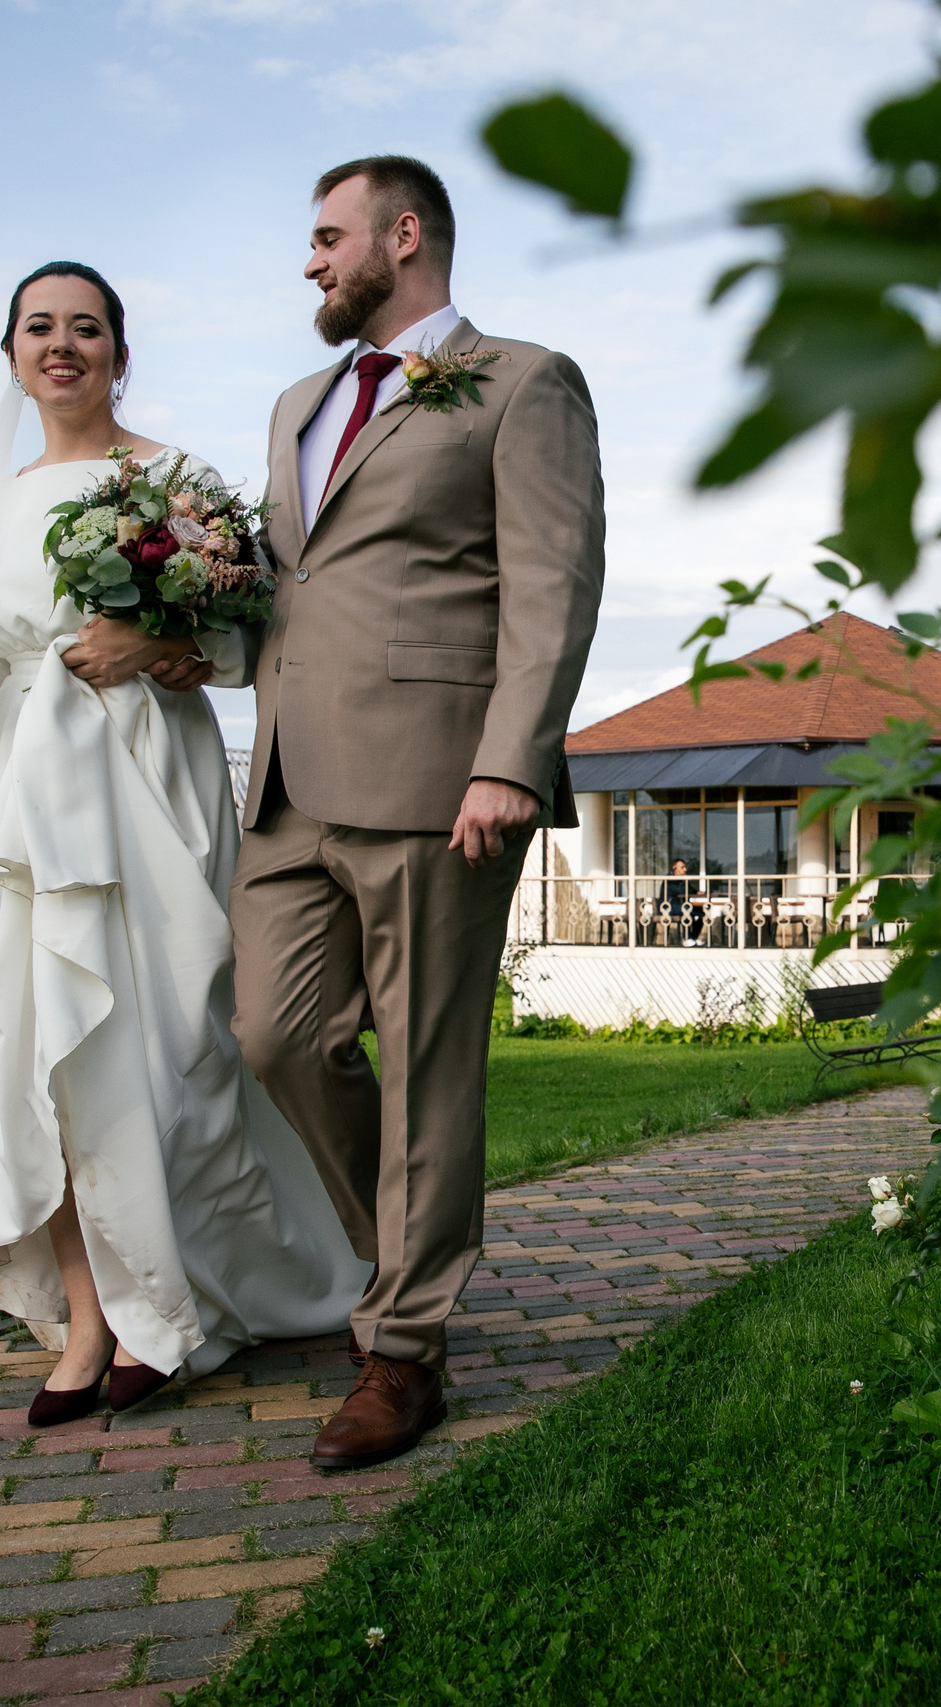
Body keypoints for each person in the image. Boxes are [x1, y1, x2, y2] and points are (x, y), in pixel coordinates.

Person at [0, 261, 367, 1428]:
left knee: (166, 1052)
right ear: (9, 353)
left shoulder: (177, 480)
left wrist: (154, 649)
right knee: (29, 1061)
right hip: (13, 806)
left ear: (120, 351)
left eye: (87, 328)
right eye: (40, 328)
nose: (64, 346)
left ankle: (177, 1300)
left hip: (148, 781)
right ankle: (90, 1317)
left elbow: (258, 641)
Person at [213, 157, 604, 1470]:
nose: (311, 261)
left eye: (327, 237)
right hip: (282, 778)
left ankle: (403, 1348)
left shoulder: (523, 380)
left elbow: (553, 586)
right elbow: (297, 581)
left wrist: (512, 756)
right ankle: (410, 1248)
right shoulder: (297, 403)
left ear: (406, 234)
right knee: (275, 1032)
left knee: (431, 1059)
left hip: (442, 779)